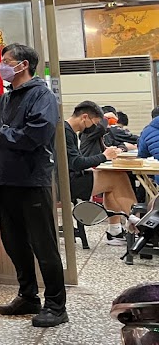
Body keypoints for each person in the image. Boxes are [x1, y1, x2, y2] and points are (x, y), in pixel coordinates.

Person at [0, 44, 65, 328]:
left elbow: (35, 134)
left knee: (43, 243)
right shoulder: (5, 98)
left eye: (5, 61)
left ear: (23, 64)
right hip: (5, 178)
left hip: (31, 180)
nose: (0, 66)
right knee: (14, 242)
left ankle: (56, 304)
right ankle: (28, 296)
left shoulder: (42, 96)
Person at [65, 101, 124, 244]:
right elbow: (76, 163)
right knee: (117, 179)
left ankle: (117, 229)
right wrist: (105, 156)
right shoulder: (66, 132)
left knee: (116, 179)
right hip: (65, 184)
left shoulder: (68, 130)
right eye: (94, 122)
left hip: (69, 178)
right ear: (84, 117)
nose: (94, 127)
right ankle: (136, 226)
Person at [80, 108, 136, 245]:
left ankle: (115, 231)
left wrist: (121, 148)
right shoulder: (89, 132)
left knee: (114, 180)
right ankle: (140, 225)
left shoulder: (97, 136)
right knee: (118, 179)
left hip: (88, 172)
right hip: (81, 175)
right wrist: (105, 118)